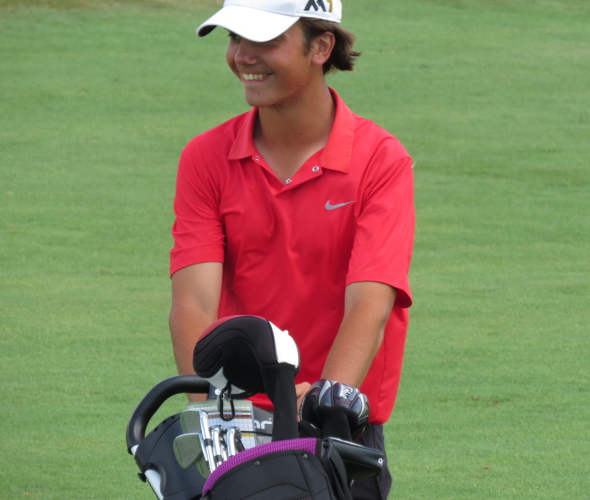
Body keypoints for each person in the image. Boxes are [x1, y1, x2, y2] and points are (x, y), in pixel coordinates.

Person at [168, 1, 415, 497]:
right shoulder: (206, 157)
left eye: (263, 40)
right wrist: (217, 412)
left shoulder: (380, 160)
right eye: (234, 38)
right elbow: (192, 303)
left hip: (339, 428)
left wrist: (323, 404)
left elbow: (370, 303)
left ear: (321, 46)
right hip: (236, 424)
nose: (243, 55)